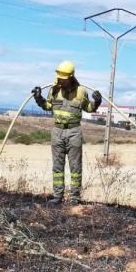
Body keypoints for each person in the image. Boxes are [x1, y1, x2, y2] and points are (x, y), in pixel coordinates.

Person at [32, 61, 101, 205]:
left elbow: (89, 108)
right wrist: (38, 98)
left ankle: (75, 198)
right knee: (57, 166)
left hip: (74, 132)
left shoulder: (81, 91)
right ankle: (57, 197)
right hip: (57, 131)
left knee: (75, 167)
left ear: (71, 77)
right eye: (59, 78)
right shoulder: (54, 90)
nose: (61, 81)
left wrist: (97, 102)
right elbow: (48, 106)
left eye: (63, 78)